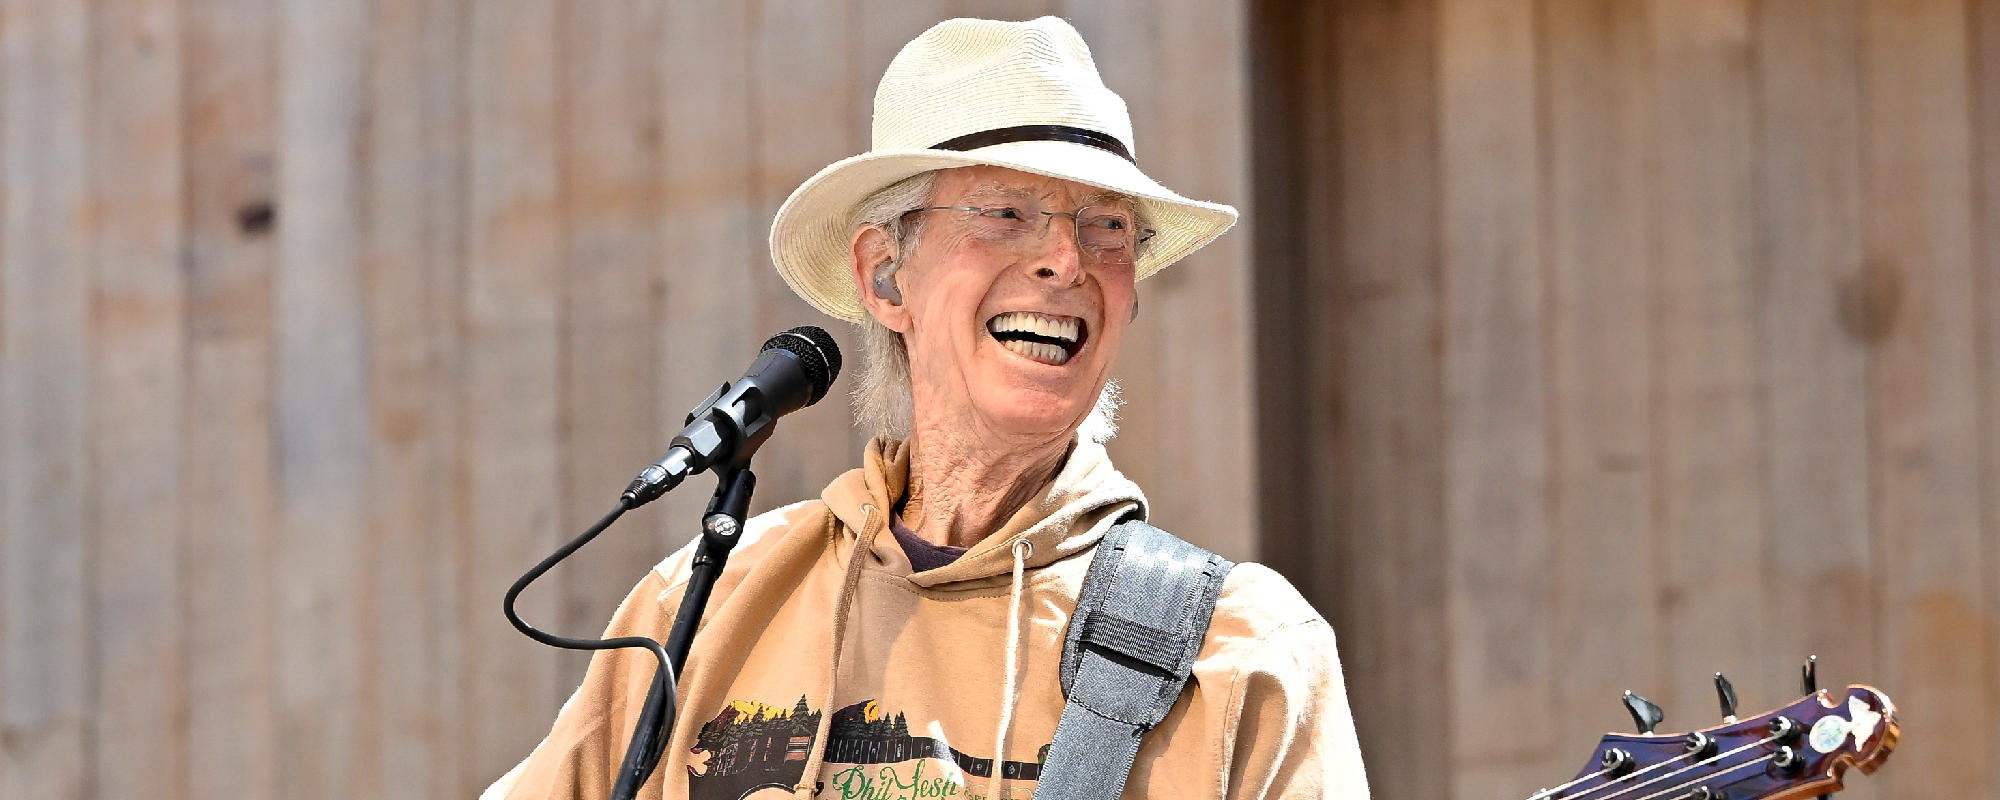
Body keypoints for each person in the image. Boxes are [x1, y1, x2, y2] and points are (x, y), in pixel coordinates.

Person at [485, 17, 1368, 800]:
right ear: (884, 274)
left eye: (1106, 227)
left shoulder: (1247, 653)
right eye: (1008, 212)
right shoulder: (706, 603)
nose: (1065, 258)